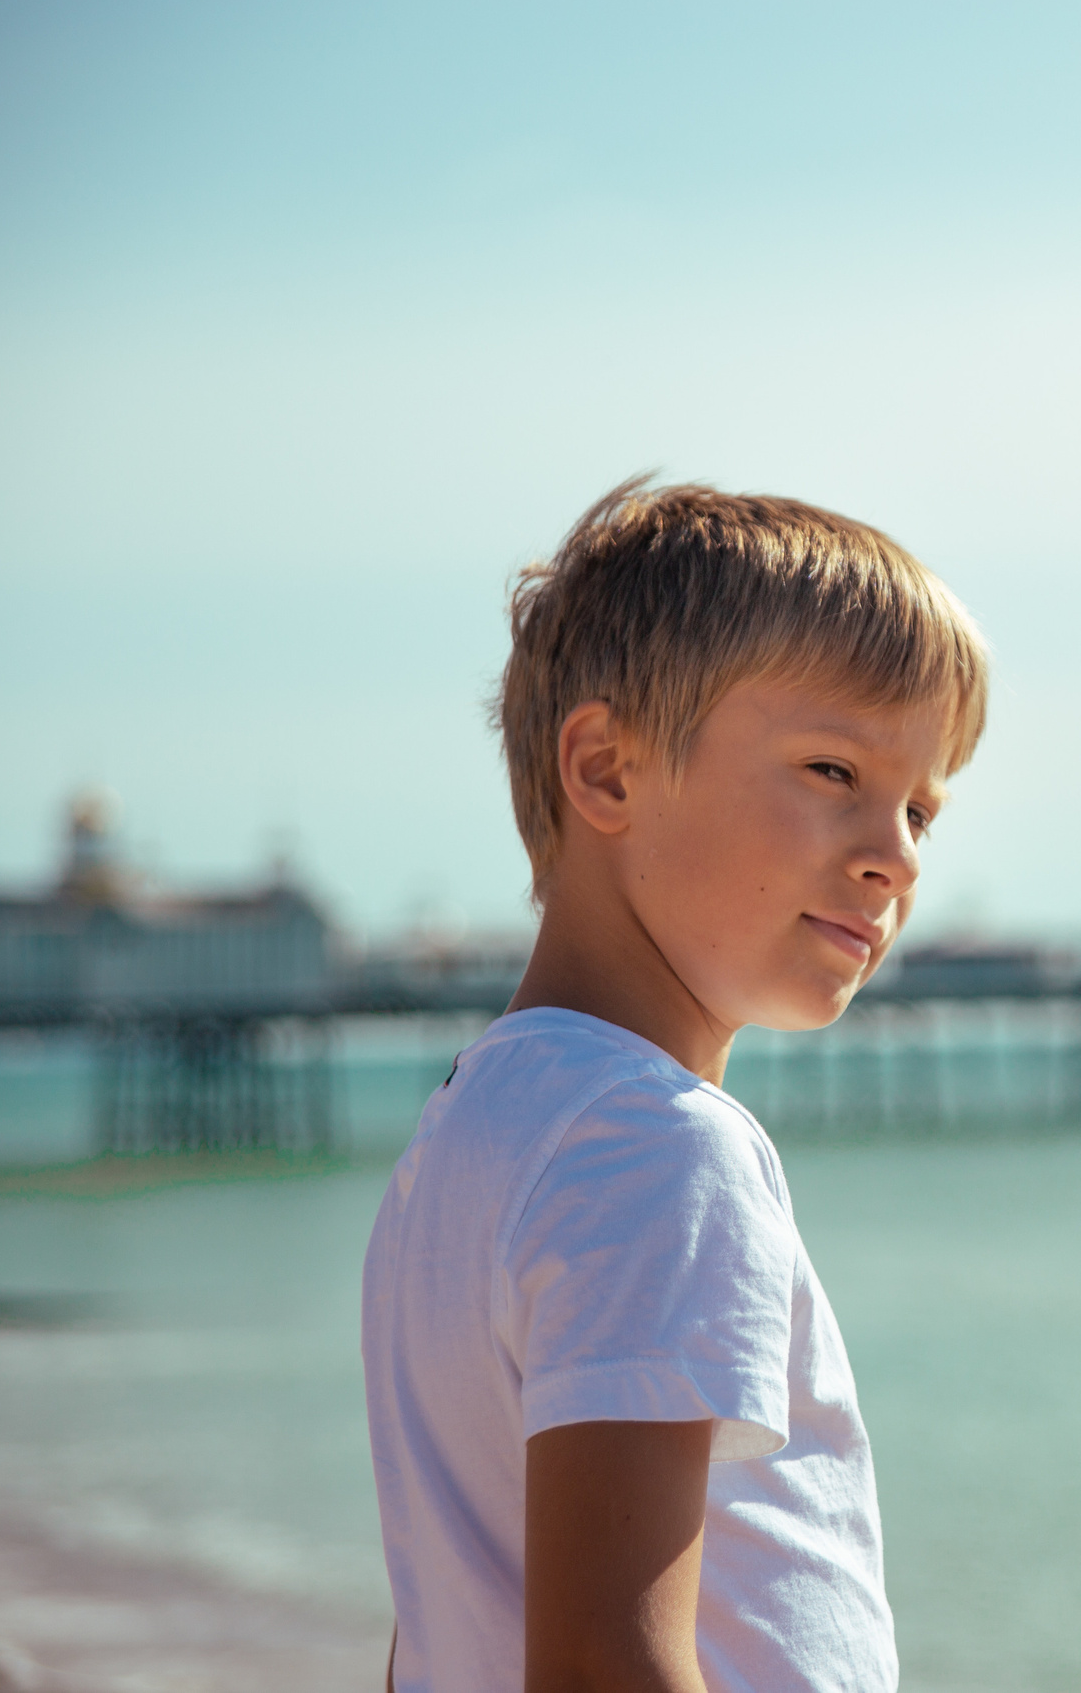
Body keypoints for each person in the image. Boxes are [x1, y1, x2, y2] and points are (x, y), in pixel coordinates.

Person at [362, 477, 989, 1693]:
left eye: (920, 808)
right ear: (607, 771)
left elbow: (435, 1626)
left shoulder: (465, 1132)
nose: (896, 857)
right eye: (830, 770)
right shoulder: (654, 1148)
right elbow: (607, 1661)